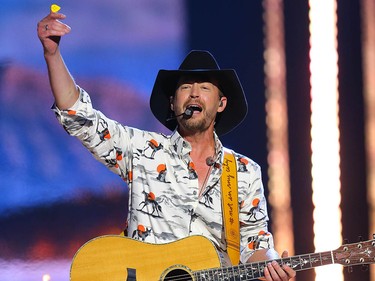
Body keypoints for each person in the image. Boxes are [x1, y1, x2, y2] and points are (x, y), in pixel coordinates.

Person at [37, 9, 296, 281]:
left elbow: (255, 244)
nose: (194, 92)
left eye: (205, 87)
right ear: (173, 103)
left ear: (221, 104)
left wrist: (271, 263)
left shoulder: (244, 171)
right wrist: (52, 55)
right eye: (186, 86)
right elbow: (80, 117)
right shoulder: (143, 150)